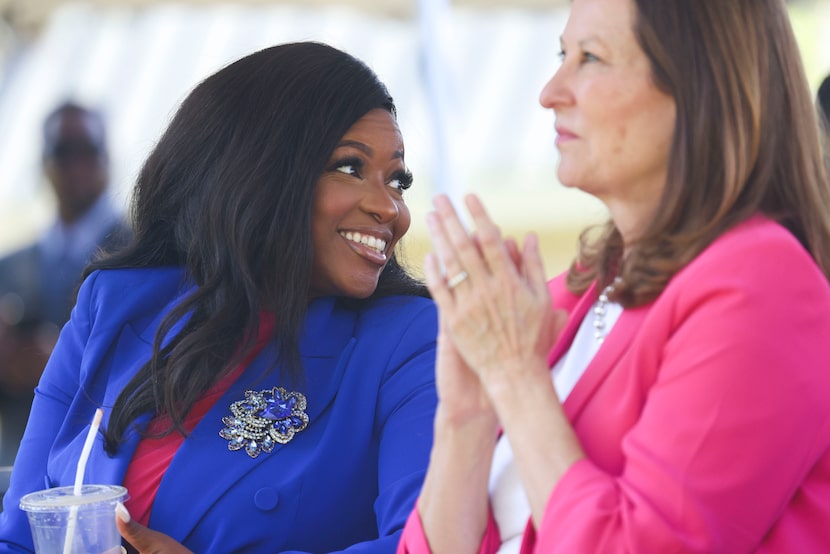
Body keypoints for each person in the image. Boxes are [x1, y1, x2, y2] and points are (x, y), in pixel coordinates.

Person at [399, 0, 830, 552]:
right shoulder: (570, 295)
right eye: (563, 53)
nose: (550, 91)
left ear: (700, 87)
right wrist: (468, 414)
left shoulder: (761, 283)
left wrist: (515, 378)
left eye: (591, 58)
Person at [0, 41, 437, 553]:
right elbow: (21, 534)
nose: (390, 208)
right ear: (261, 168)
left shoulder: (407, 338)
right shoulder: (114, 305)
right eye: (349, 168)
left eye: (397, 180)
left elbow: (428, 542)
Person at [0, 101, 130, 468]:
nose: (75, 165)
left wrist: (65, 358)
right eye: (62, 151)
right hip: (19, 464)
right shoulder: (7, 267)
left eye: (86, 150)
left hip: (104, 466)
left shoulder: (144, 255)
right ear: (44, 162)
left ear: (106, 158)